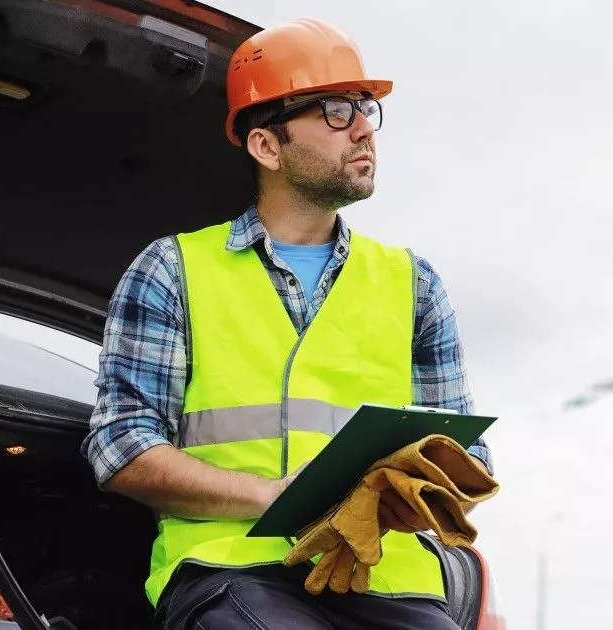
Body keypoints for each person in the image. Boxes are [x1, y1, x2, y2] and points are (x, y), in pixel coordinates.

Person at [79, 16, 493, 630]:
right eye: (333, 111)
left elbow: (467, 452)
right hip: (232, 571)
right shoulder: (173, 270)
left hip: (387, 582)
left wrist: (420, 495)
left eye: (365, 109)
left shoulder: (415, 284)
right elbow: (121, 447)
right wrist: (269, 496)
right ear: (266, 146)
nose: (363, 131)